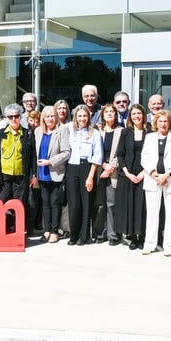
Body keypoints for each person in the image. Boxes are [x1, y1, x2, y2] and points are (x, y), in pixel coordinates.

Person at [140, 110, 171, 256]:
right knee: (152, 214)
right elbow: (144, 158)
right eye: (160, 121)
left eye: (165, 121)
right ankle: (149, 244)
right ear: (155, 123)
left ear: (170, 122)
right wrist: (155, 175)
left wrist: (166, 175)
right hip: (153, 180)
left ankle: (169, 245)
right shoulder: (149, 137)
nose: (163, 124)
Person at [0, 104, 34, 230]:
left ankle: (18, 230)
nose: (13, 119)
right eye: (10, 117)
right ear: (6, 118)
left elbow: (32, 156)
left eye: (16, 116)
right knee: (2, 202)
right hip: (4, 175)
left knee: (18, 204)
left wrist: (33, 175)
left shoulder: (27, 134)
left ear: (20, 117)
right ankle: (3, 229)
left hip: (21, 175)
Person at [65, 105, 103, 245]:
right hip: (72, 167)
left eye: (85, 116)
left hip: (87, 168)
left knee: (86, 202)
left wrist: (91, 176)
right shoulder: (69, 130)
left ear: (89, 117)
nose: (82, 118)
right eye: (79, 116)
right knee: (74, 203)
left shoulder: (95, 133)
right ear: (75, 117)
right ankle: (73, 235)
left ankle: (84, 236)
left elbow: (97, 156)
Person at [34, 105, 70, 243]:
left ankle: (55, 231)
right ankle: (46, 230)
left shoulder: (62, 130)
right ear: (43, 118)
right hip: (42, 172)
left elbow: (66, 152)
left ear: (56, 117)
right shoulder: (38, 131)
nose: (50, 119)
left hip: (55, 171)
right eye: (47, 116)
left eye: (52, 116)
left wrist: (50, 162)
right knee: (45, 202)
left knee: (55, 202)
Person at [117, 104, 149, 250]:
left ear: (143, 115)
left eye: (139, 113)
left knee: (142, 205)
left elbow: (153, 155)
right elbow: (120, 154)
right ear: (130, 117)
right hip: (128, 173)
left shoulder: (150, 132)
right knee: (130, 204)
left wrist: (144, 173)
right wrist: (127, 173)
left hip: (145, 172)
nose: (136, 116)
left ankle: (142, 236)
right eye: (134, 114)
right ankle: (133, 237)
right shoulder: (125, 132)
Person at [93, 103, 123, 245]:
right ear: (103, 115)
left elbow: (122, 152)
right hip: (99, 171)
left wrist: (111, 167)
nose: (109, 113)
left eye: (112, 111)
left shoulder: (121, 131)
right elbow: (93, 152)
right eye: (107, 112)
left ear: (116, 115)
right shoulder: (97, 131)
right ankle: (100, 233)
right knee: (100, 204)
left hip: (114, 172)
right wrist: (104, 166)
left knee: (112, 203)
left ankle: (113, 234)